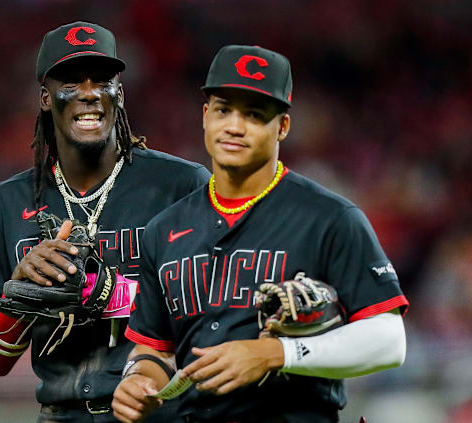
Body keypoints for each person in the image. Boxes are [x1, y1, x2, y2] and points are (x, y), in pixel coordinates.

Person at [112, 45, 409, 423]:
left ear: (282, 126)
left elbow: (389, 341)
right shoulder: (164, 230)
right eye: (223, 110)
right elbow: (152, 348)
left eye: (254, 114)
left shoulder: (331, 218)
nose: (234, 126)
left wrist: (276, 354)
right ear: (205, 116)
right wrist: (137, 380)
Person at [0, 21, 210, 422]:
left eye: (103, 81)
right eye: (71, 82)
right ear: (45, 98)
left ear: (119, 94)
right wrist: (18, 300)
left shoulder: (183, 185)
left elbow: (216, 310)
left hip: (163, 410)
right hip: (61, 413)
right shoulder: (4, 205)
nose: (90, 93)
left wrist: (112, 294)